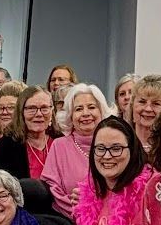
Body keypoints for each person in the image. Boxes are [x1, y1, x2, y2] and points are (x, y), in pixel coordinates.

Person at [40, 83, 111, 211]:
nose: (85, 113)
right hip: (67, 219)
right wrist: (77, 207)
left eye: (91, 107)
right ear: (70, 117)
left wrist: (95, 202)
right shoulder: (59, 146)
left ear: (102, 112)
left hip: (110, 218)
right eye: (78, 109)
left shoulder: (114, 145)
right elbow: (51, 187)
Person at [0, 85, 61, 181]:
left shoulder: (61, 142)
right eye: (31, 108)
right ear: (21, 112)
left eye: (44, 108)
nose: (39, 114)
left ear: (52, 111)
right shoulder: (5, 146)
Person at [127, 75, 161, 151]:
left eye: (156, 103)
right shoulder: (121, 144)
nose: (148, 109)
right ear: (132, 106)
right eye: (142, 102)